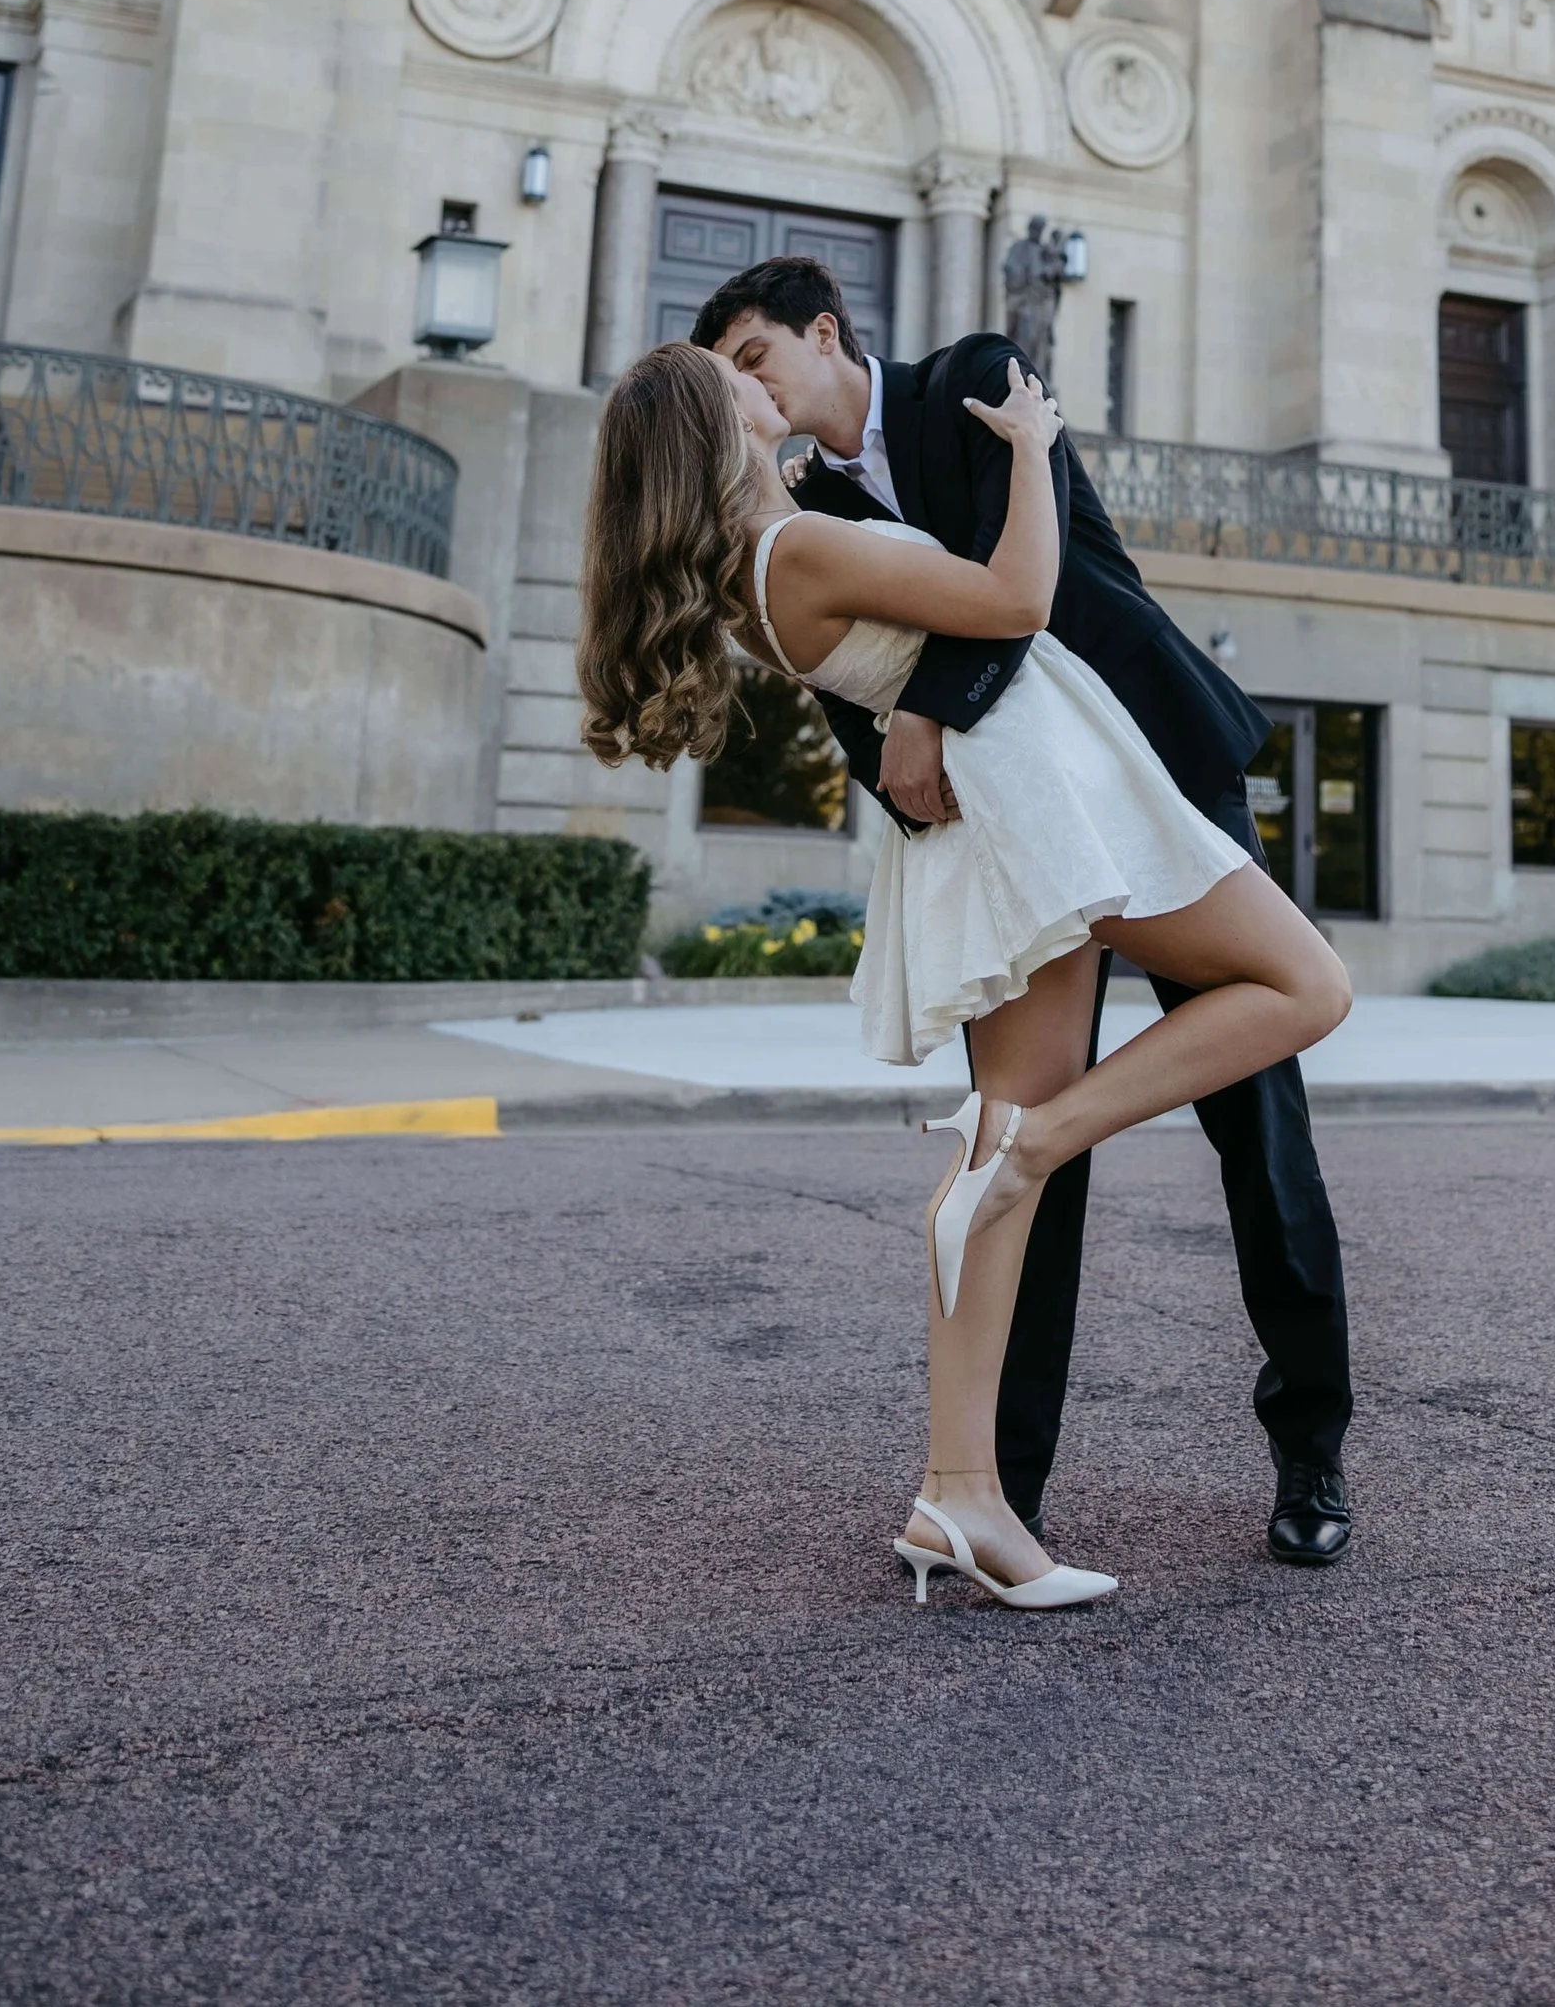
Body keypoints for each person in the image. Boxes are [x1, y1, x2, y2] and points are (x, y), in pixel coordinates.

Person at [576, 333, 1351, 1614]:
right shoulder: (799, 549)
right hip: (1040, 799)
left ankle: (962, 1495)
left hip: (1002, 805)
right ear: (709, 435)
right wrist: (1038, 454)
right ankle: (1047, 1149)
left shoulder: (770, 559)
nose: (754, 386)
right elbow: (1015, 602)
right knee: (1301, 988)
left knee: (992, 1149)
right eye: (731, 384)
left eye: (753, 361)